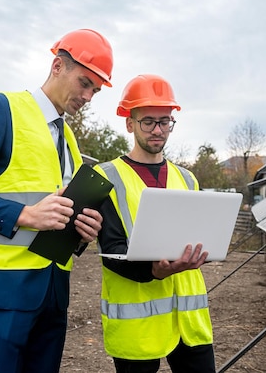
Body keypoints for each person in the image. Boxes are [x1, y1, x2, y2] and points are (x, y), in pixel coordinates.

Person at [0, 28, 114, 373]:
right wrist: (25, 215)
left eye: (96, 90)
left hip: (54, 291)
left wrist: (83, 229)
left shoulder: (69, 141)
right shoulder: (1, 109)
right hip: (0, 288)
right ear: (58, 66)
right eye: (85, 83)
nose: (89, 96)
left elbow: (57, 212)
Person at [94, 74, 216, 373]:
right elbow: (111, 249)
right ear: (129, 123)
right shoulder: (106, 176)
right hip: (138, 324)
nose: (158, 129)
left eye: (165, 121)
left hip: (190, 321)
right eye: (148, 121)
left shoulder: (188, 178)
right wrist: (153, 270)